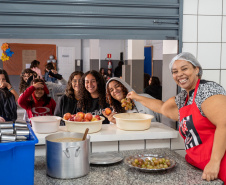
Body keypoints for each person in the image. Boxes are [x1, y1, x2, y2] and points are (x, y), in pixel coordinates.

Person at [127, 52, 226, 183]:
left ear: (196, 69)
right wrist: (136, 97)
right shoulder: (184, 98)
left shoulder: (208, 90)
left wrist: (214, 162)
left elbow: (224, 124)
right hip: (199, 168)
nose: (179, 74)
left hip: (219, 167)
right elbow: (162, 108)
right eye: (175, 71)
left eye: (184, 68)